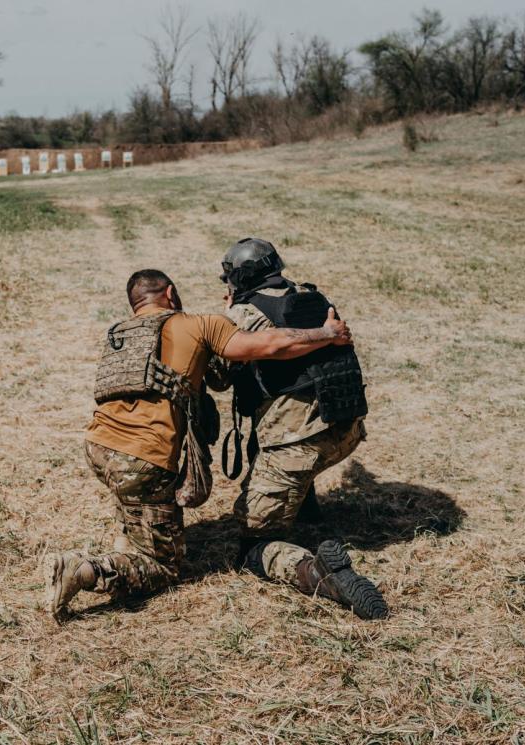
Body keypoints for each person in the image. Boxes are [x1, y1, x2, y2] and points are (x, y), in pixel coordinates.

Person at [43, 269, 363, 620]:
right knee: (161, 566)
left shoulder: (120, 334)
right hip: (142, 460)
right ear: (171, 293)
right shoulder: (198, 324)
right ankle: (85, 569)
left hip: (98, 447)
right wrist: (327, 333)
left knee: (134, 495)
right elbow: (268, 345)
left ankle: (130, 533)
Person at [217, 237, 387, 620]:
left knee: (252, 547)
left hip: (298, 447)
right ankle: (306, 507)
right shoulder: (313, 297)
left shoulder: (244, 313)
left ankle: (321, 575)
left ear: (238, 278)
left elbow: (221, 375)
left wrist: (227, 318)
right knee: (283, 442)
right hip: (345, 430)